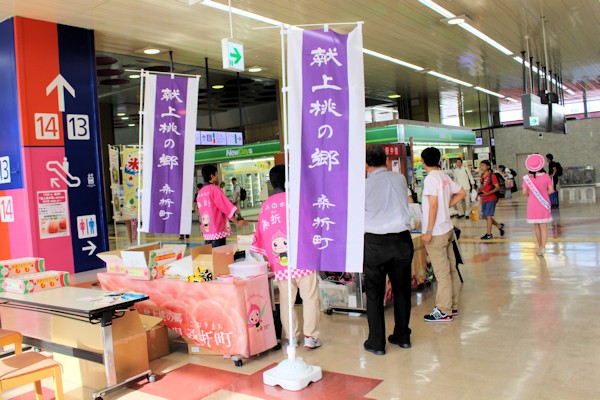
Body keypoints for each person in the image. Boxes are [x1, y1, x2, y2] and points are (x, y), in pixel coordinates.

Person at [250, 165, 321, 349]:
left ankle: (292, 338)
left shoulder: (266, 206)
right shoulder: (297, 200)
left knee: (286, 302)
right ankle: (311, 337)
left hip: (280, 264)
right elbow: (312, 225)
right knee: (310, 298)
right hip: (304, 259)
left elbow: (261, 235)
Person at [363, 145, 414, 355]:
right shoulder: (400, 178)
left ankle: (377, 343)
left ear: (366, 165)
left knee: (375, 294)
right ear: (385, 161)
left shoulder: (363, 186)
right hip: (402, 241)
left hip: (375, 244)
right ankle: (402, 337)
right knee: (402, 291)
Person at [420, 148, 466, 322]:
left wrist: (429, 231)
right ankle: (452, 306)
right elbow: (462, 192)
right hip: (447, 229)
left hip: (437, 232)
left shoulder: (431, 179)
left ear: (423, 161)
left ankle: (443, 310)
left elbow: (432, 206)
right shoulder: (443, 176)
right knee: (451, 269)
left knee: (442, 273)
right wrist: (447, 205)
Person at [197, 165, 244, 247]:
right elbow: (225, 207)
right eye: (216, 174)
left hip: (207, 231)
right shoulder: (215, 189)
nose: (218, 176)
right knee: (219, 255)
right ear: (212, 176)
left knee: (211, 256)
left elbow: (200, 212)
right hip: (217, 229)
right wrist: (236, 221)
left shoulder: (200, 192)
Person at [522, 154, 554, 256]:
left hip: (532, 203)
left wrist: (531, 196)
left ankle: (539, 246)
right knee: (544, 226)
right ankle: (543, 248)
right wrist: (543, 194)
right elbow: (551, 190)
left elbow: (524, 192)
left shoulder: (528, 178)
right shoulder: (546, 176)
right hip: (544, 203)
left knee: (536, 225)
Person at [478, 160, 505, 240]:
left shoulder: (492, 176)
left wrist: (487, 193)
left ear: (488, 166)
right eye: (481, 165)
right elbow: (482, 186)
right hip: (484, 198)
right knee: (486, 217)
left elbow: (497, 187)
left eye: (483, 165)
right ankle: (499, 226)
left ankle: (489, 234)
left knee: (488, 216)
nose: (481, 167)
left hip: (491, 198)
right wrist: (478, 194)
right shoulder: (482, 176)